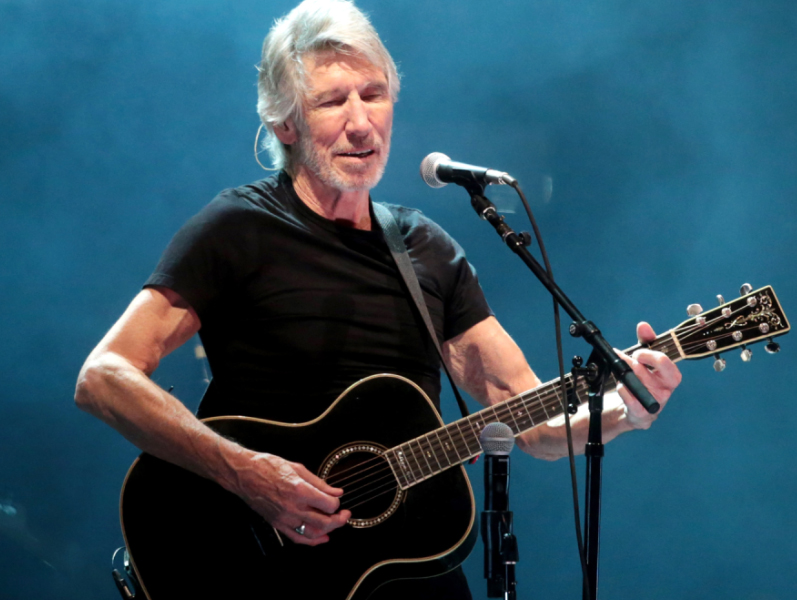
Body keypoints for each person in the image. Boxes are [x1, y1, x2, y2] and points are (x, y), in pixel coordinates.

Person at [74, 0, 681, 598]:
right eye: (333, 101)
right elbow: (103, 376)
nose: (361, 122)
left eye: (374, 93)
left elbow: (525, 416)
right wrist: (247, 472)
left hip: (407, 565)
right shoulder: (238, 228)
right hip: (245, 560)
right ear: (286, 124)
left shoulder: (426, 250)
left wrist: (626, 410)